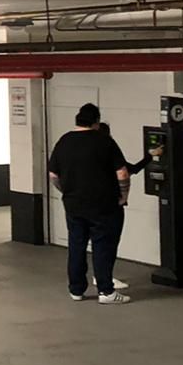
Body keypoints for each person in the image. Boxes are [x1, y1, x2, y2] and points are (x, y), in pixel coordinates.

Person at [48, 103, 133, 304]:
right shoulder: (104, 141)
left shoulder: (64, 141)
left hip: (73, 205)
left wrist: (67, 191)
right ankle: (106, 291)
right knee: (103, 246)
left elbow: (53, 175)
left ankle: (76, 290)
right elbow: (122, 173)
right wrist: (123, 195)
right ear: (96, 121)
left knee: (76, 246)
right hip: (104, 205)